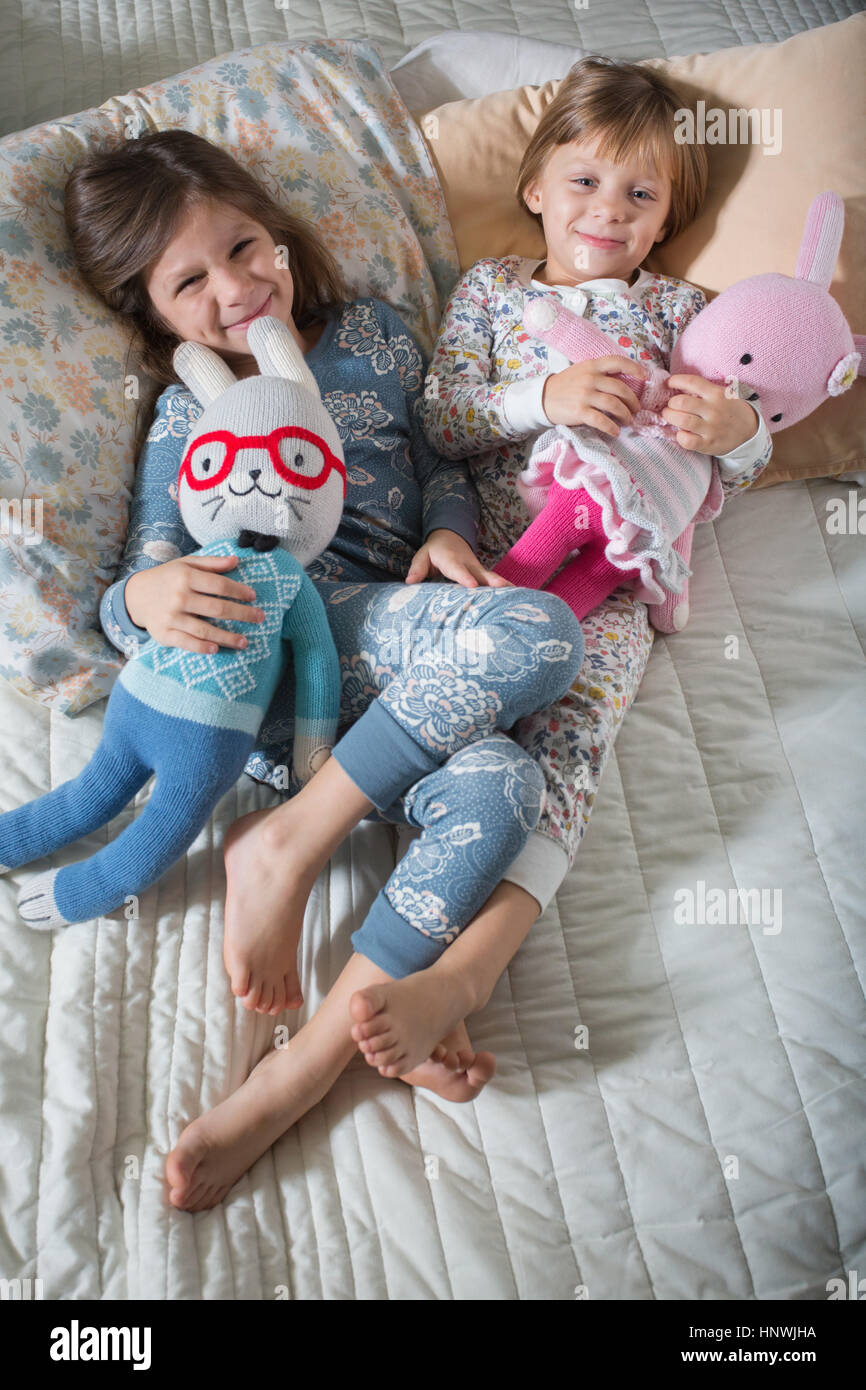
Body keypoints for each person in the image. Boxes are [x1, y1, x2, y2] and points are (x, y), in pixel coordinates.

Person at [64, 130, 585, 1210]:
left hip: (404, 667)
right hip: (283, 682)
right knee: (540, 636)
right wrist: (141, 600)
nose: (236, 286)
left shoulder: (377, 339)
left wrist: (445, 529)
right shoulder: (187, 409)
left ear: (279, 228)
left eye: (245, 245)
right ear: (153, 313)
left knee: (507, 783)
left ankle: (300, 1072)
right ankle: (290, 839)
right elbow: (140, 577)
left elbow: (439, 455)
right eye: (190, 282)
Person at [419, 56, 772, 623]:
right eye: (585, 182)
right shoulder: (490, 287)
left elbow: (712, 475)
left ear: (665, 224)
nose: (608, 209)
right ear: (535, 190)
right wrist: (543, 397)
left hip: (613, 581)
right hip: (487, 559)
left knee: (576, 707)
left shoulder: (681, 308)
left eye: (640, 196)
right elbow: (439, 419)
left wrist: (741, 436)